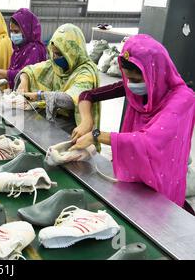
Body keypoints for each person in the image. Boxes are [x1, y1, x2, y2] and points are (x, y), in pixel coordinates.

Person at [70, 34, 195, 209]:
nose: (130, 85)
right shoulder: (136, 88)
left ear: (154, 74)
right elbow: (87, 95)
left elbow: (148, 141)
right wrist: (86, 121)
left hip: (162, 179)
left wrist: (96, 135)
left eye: (135, 80)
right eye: (127, 78)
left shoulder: (182, 99)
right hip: (133, 175)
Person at [17, 23, 100, 127]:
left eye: (60, 54)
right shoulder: (54, 66)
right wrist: (24, 81)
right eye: (54, 53)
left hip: (73, 124)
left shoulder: (86, 72)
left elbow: (72, 99)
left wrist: (39, 95)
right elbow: (30, 70)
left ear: (73, 52)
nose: (55, 57)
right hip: (54, 117)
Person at [0, 8, 46, 89]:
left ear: (27, 30)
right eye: (11, 31)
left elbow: (26, 74)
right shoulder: (18, 49)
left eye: (16, 31)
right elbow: (12, 71)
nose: (13, 35)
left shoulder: (35, 49)